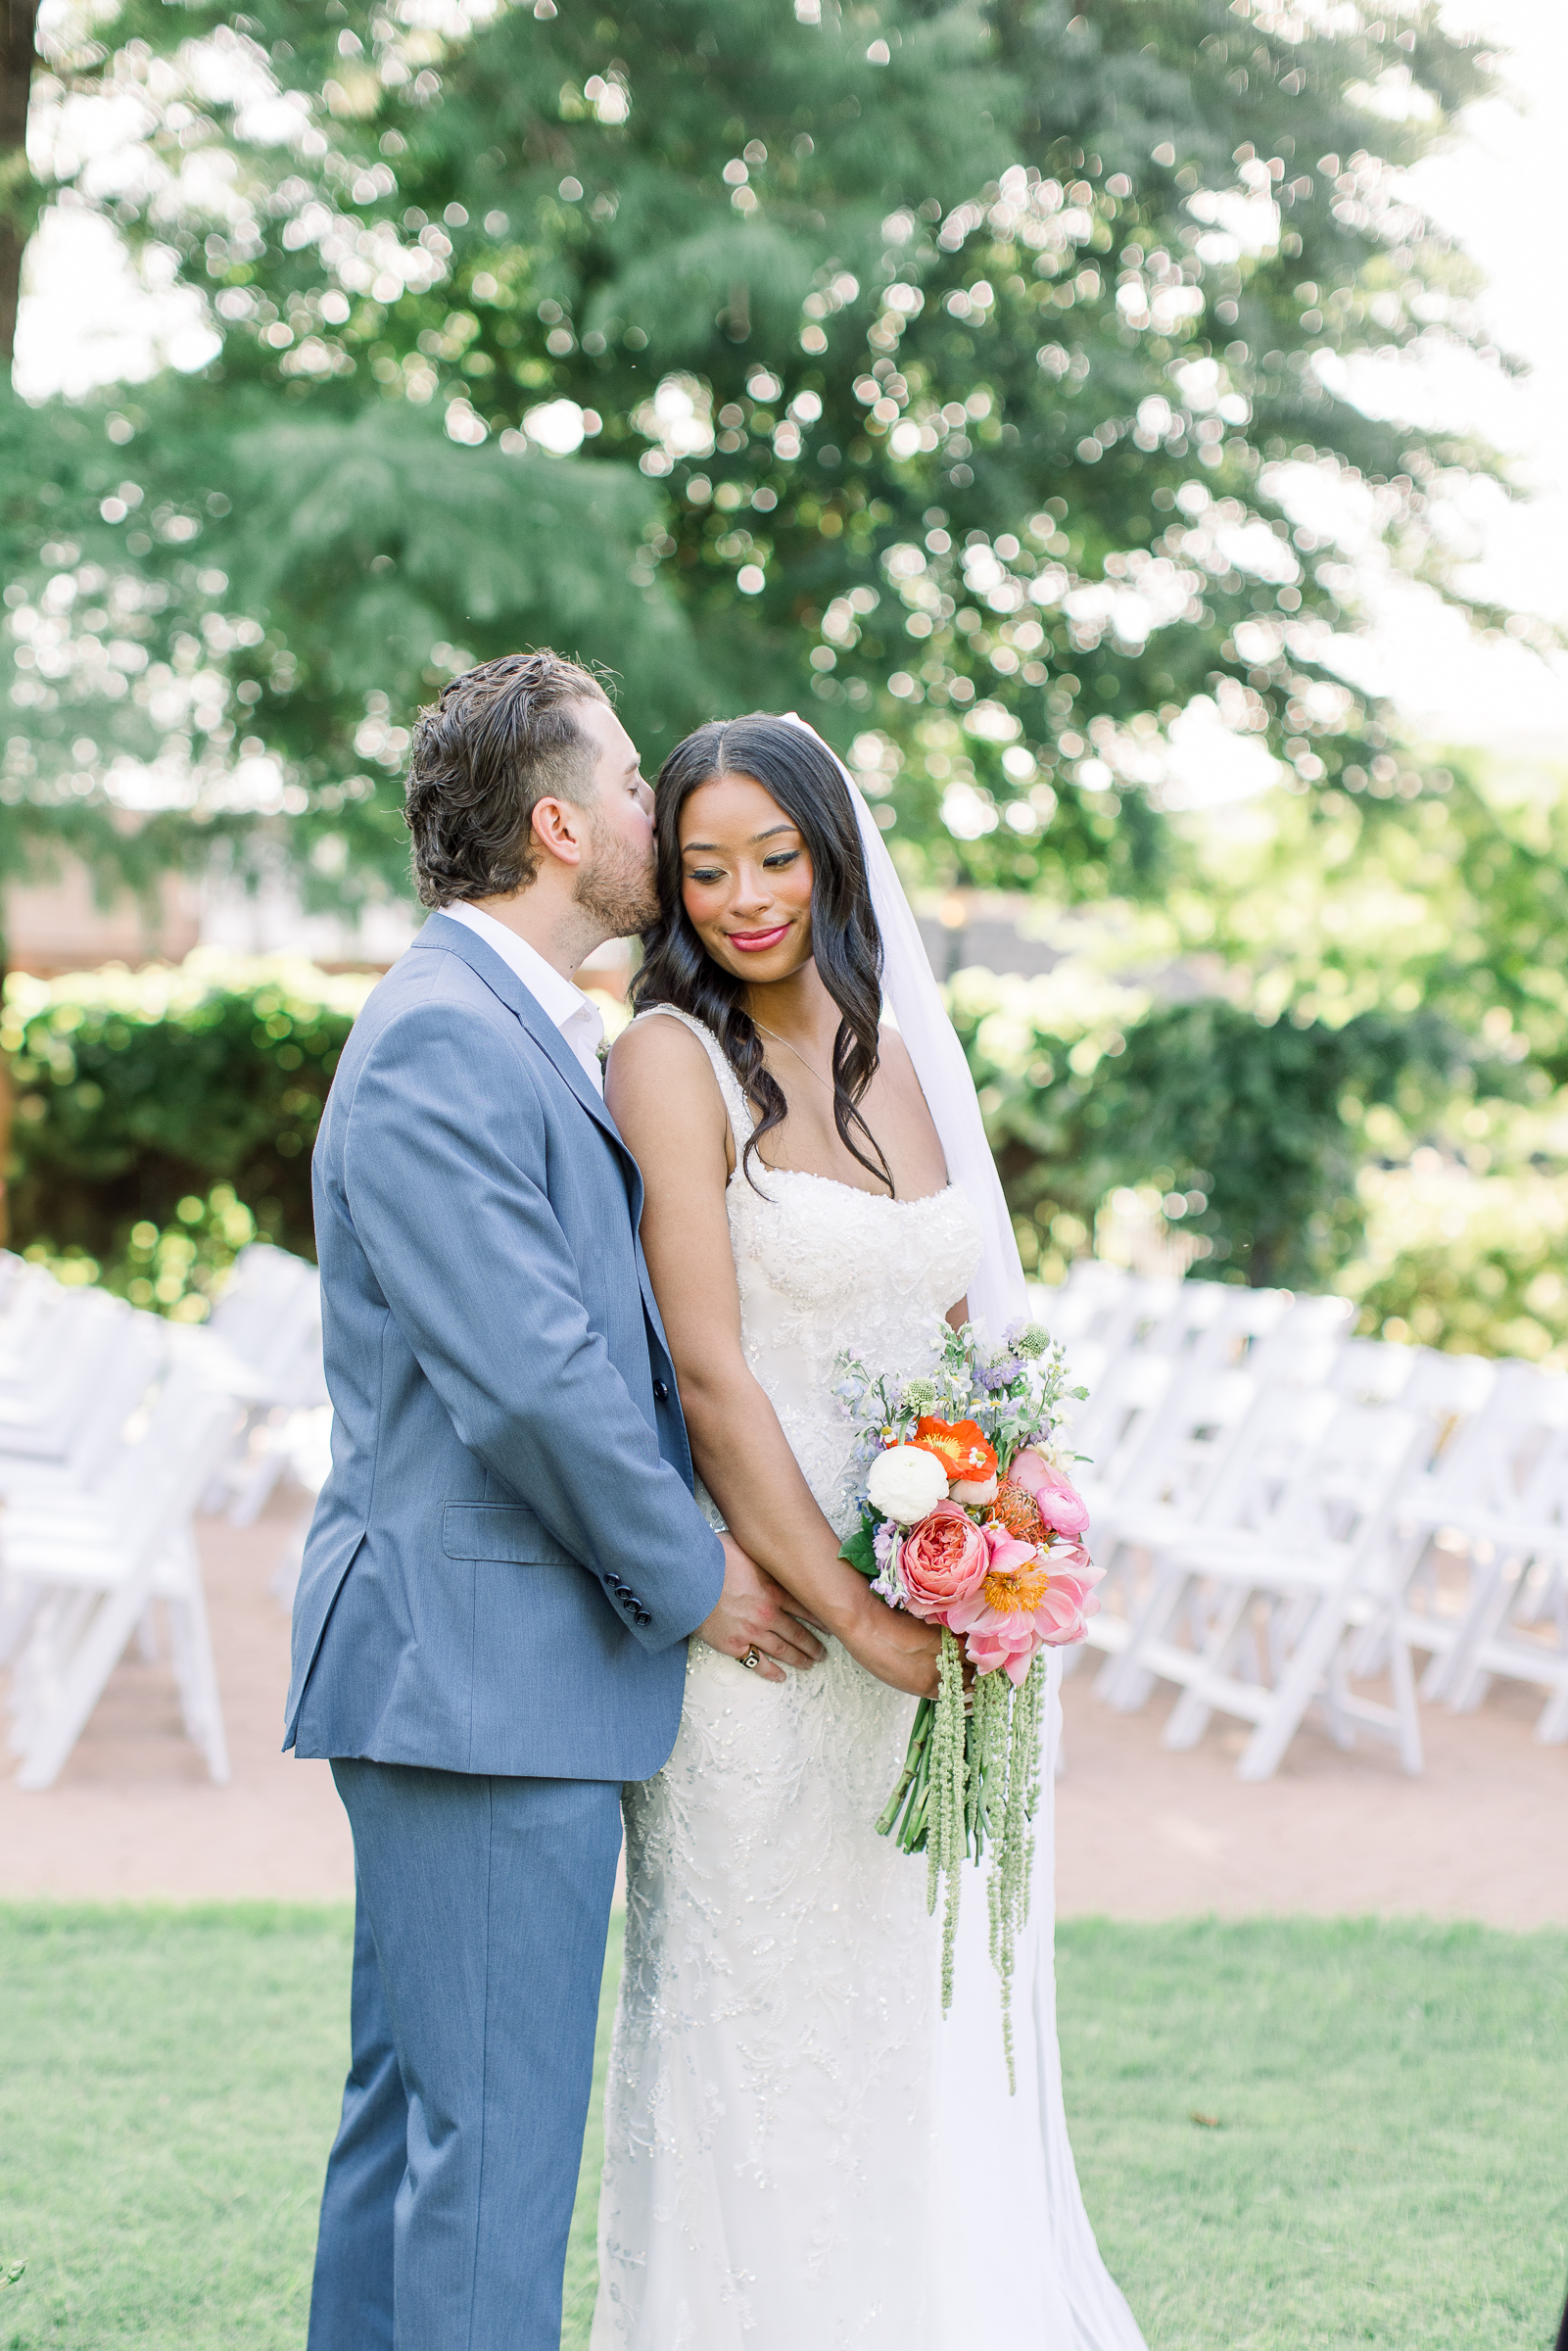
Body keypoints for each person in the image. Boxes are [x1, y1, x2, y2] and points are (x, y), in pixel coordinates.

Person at [286, 655, 930, 2351]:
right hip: (481, 1679)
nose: (664, 810)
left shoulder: (512, 1023)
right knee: (482, 2163)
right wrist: (693, 1572)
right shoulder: (444, 1037)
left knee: (422, 2135)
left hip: (491, 1678)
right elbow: (532, 1376)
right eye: (638, 786)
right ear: (561, 824)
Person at [594, 713, 1146, 2349]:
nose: (745, 897)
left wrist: (999, 1559)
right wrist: (853, 1609)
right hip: (776, 1638)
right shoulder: (664, 1063)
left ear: (834, 857)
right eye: (703, 868)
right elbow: (706, 1373)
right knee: (759, 2044)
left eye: (775, 856)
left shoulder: (901, 1056)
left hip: (937, 1630)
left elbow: (974, 1360)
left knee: (919, 2030)